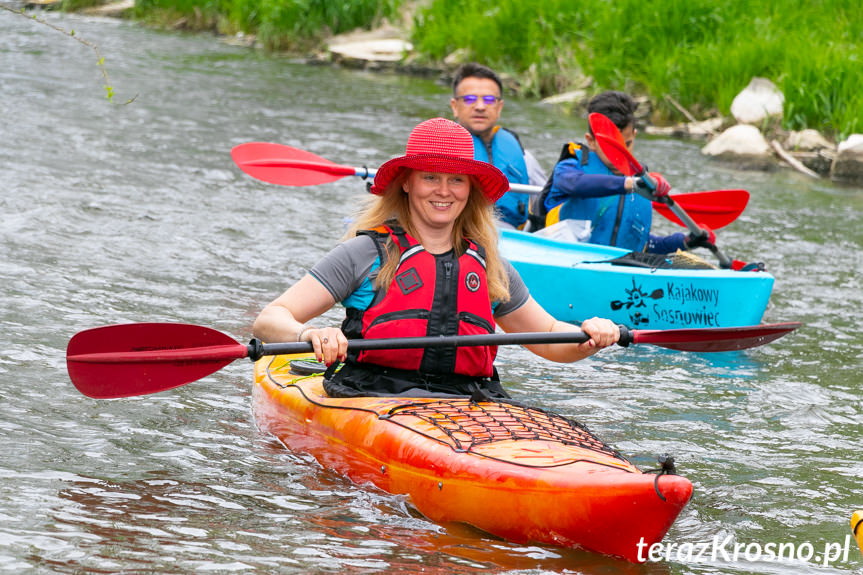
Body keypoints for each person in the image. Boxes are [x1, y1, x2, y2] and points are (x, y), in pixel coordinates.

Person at [253, 117, 619, 399]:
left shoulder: (490, 265)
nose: (444, 191)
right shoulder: (365, 253)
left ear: (470, 189)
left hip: (467, 401)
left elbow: (550, 336)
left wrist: (588, 337)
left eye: (457, 180)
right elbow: (270, 319)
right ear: (407, 182)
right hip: (373, 395)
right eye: (430, 177)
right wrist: (310, 333)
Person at [530, 91, 715, 253]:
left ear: (634, 135)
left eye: (626, 145)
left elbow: (641, 244)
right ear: (591, 141)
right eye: (611, 147)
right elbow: (575, 184)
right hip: (565, 267)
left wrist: (684, 242)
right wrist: (629, 184)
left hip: (616, 276)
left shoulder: (642, 184)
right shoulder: (570, 168)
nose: (621, 155)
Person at [450, 62, 547, 230]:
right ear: (455, 106)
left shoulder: (524, 158)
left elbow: (546, 202)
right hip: (455, 233)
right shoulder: (437, 152)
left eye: (489, 100)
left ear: (499, 107)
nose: (480, 107)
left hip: (511, 238)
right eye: (469, 99)